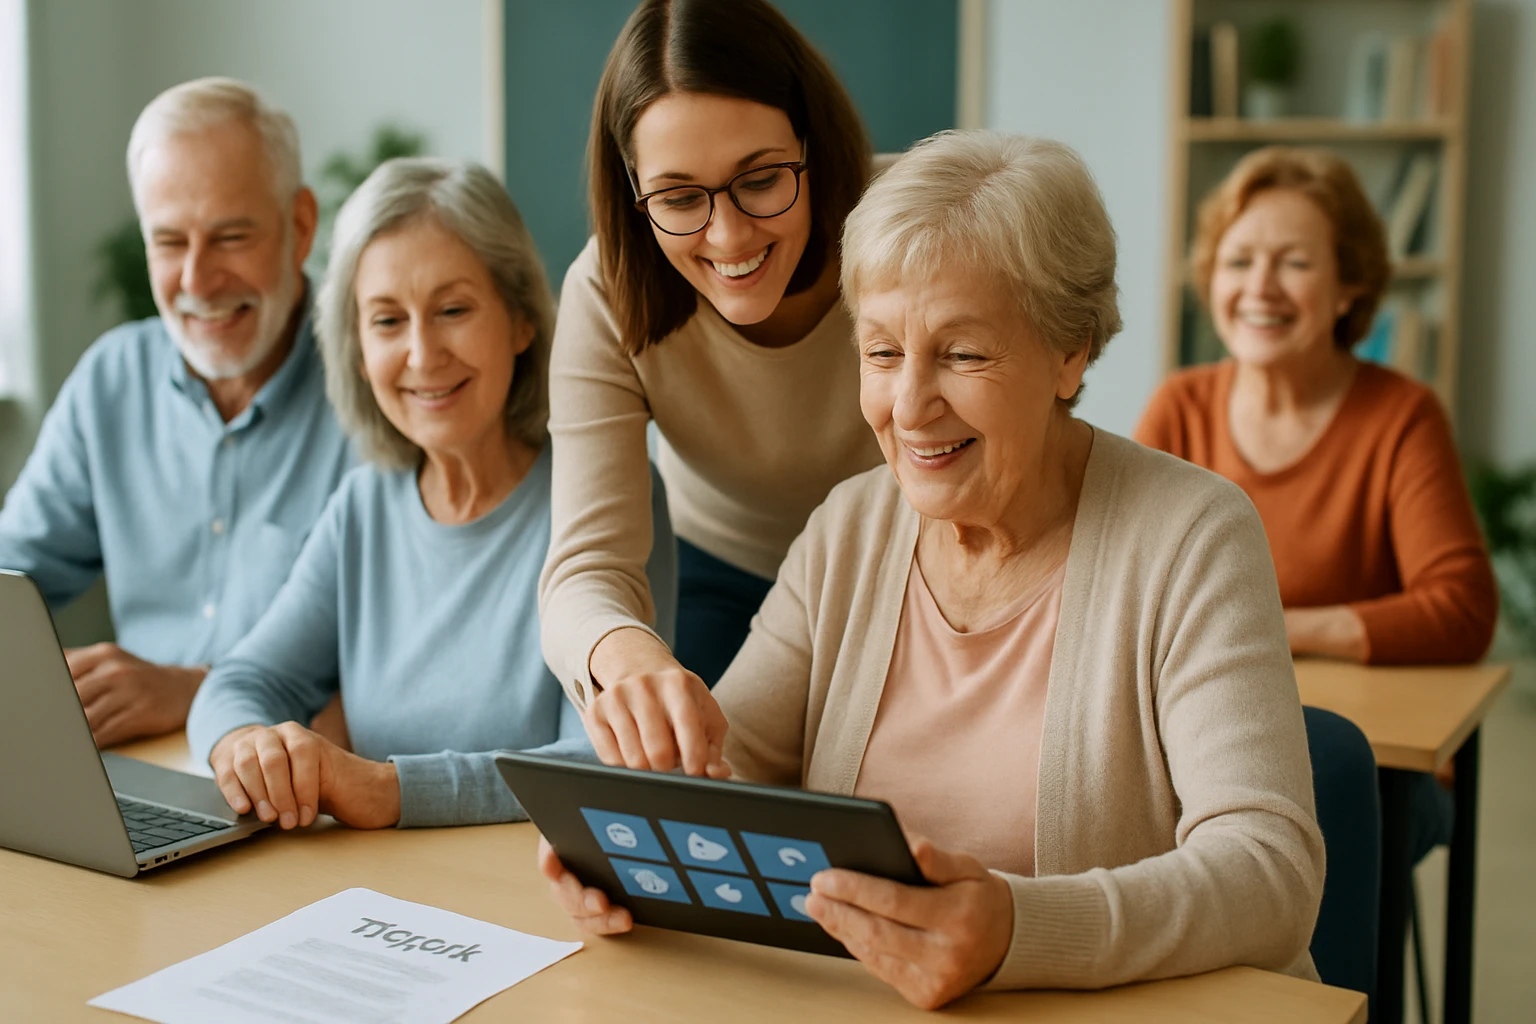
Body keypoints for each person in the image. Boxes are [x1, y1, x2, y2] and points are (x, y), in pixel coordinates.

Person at [540, 131, 1325, 1008]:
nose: (909, 407)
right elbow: (730, 772)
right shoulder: (850, 527)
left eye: (961, 353)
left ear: (1071, 352)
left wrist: (1019, 933)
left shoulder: (1193, 535)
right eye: (881, 352)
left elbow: (1269, 876)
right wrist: (635, 849)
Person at [185, 160, 676, 830]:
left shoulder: (606, 497)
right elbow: (239, 683)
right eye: (387, 321)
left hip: (542, 889)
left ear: (522, 321)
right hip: (384, 897)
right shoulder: (362, 509)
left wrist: (389, 790)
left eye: (452, 310)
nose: (421, 354)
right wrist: (247, 746)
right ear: (358, 351)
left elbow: (606, 757)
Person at [1133, 146, 1496, 860]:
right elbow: (1115, 580)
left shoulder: (1402, 416)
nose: (1260, 287)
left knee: (1319, 796)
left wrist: (1283, 627)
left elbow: (1462, 608)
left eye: (1294, 264)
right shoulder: (1181, 406)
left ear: (1347, 289)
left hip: (1368, 764)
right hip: (1203, 735)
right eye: (1238, 262)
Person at [539, 0, 884, 729]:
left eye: (760, 180)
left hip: (906, 572)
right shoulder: (605, 291)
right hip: (719, 576)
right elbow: (584, 568)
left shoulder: (911, 227)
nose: (727, 237)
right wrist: (631, 661)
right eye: (678, 197)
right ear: (634, 195)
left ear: (811, 147)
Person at [0, 78, 351, 748]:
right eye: (168, 242)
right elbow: (12, 579)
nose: (196, 280)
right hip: (139, 770)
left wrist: (196, 690)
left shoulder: (382, 388)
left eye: (230, 236)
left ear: (300, 226)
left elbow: (408, 673)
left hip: (309, 779)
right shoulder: (112, 379)